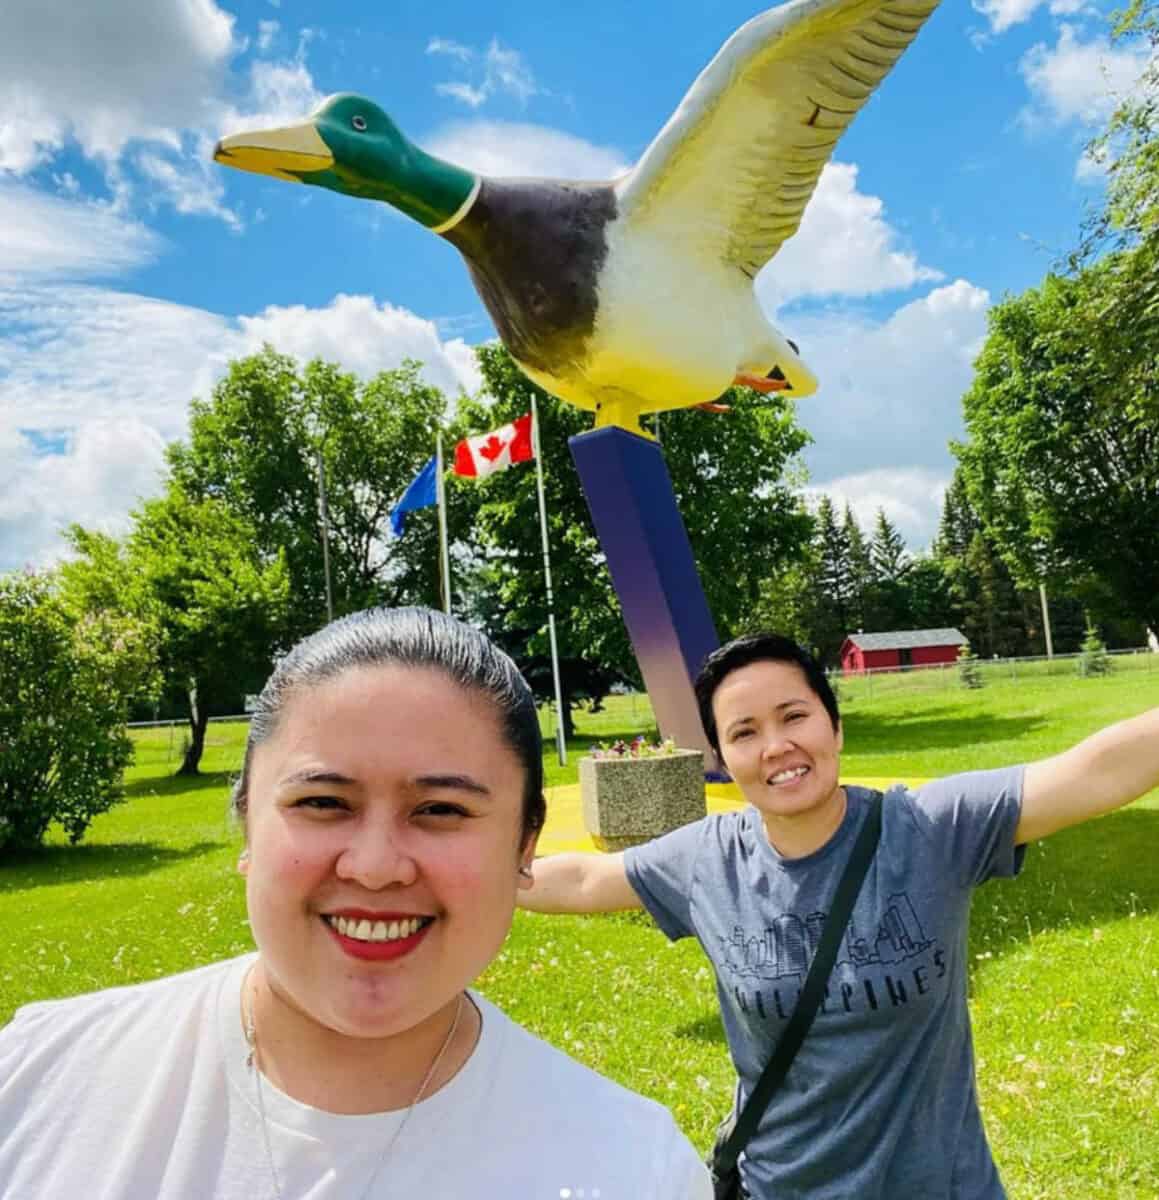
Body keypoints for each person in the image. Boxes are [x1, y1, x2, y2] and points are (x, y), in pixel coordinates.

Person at [0, 607, 711, 1200]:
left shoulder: (630, 1168)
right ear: (249, 822)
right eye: (322, 802)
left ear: (525, 844)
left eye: (439, 809)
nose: (374, 868)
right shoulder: (35, 1080)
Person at [519, 631, 1159, 1198]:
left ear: (834, 726)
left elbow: (1095, 772)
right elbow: (584, 878)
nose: (776, 746)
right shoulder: (709, 861)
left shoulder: (930, 830)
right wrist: (457, 870)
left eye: (794, 715)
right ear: (723, 758)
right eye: (744, 732)